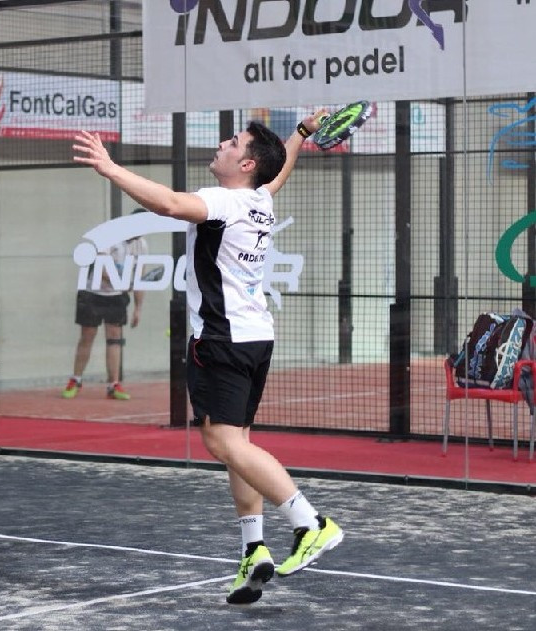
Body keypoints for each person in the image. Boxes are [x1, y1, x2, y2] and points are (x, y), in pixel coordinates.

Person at [72, 113, 343, 605]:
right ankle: (253, 550)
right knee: (237, 444)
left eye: (233, 142)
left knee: (222, 441)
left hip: (220, 339)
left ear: (246, 164)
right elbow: (277, 173)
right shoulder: (258, 198)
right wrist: (300, 136)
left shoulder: (224, 201)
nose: (223, 143)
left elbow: (170, 203)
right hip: (255, 337)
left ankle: (310, 522)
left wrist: (110, 168)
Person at [62, 224, 146, 401]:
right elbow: (102, 269)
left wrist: (138, 308)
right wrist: (123, 284)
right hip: (92, 293)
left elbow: (140, 276)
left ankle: (113, 385)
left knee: (114, 338)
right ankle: (76, 380)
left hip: (116, 297)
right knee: (88, 335)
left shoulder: (141, 244)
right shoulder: (109, 238)